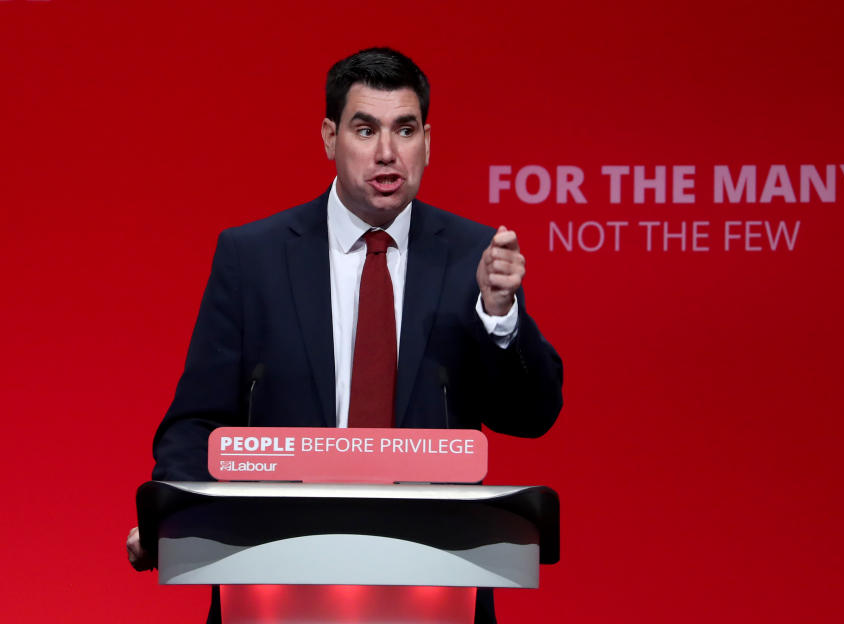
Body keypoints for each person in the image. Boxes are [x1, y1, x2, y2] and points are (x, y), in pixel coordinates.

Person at [128, 47, 563, 623]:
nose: (388, 152)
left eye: (405, 129)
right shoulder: (254, 257)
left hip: (433, 585)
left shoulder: (473, 259)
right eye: (366, 128)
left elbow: (530, 415)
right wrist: (172, 517)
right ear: (331, 138)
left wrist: (500, 314)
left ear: (427, 141)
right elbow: (197, 420)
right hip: (276, 583)